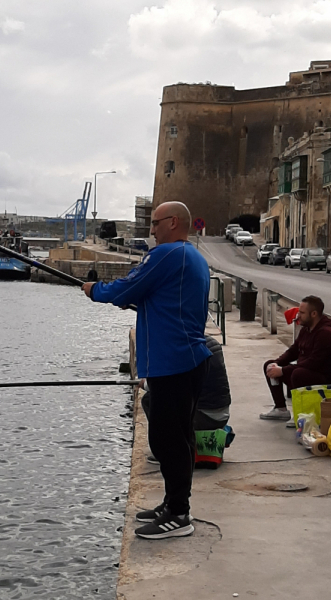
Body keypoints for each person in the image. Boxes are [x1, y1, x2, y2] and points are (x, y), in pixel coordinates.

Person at [82, 201, 211, 540]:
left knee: (168, 439)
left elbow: (127, 285)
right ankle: (173, 504)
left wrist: (94, 291)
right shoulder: (192, 257)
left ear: (172, 222)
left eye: (155, 223)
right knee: (176, 437)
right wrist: (137, 300)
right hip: (185, 360)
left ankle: (179, 515)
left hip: (175, 362)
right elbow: (163, 301)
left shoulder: (167, 255)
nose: (151, 231)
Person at [261, 295, 331, 424]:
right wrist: (277, 364)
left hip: (323, 377)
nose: (298, 316)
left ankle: (301, 414)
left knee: (298, 374)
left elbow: (314, 363)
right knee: (270, 365)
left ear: (314, 314)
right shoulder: (306, 329)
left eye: (302, 313)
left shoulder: (326, 334)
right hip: (307, 370)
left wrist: (283, 370)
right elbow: (293, 351)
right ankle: (281, 409)